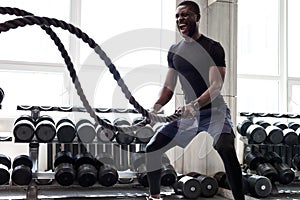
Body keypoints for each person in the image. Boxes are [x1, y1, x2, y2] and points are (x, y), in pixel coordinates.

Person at [145, 1, 245, 200]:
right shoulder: (174, 51)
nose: (180, 19)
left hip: (213, 111)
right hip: (188, 116)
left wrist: (195, 104)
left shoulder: (212, 47)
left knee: (225, 147)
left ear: (197, 18)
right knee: (152, 148)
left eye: (185, 15)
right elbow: (168, 88)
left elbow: (216, 85)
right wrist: (155, 108)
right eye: (177, 16)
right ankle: (155, 197)